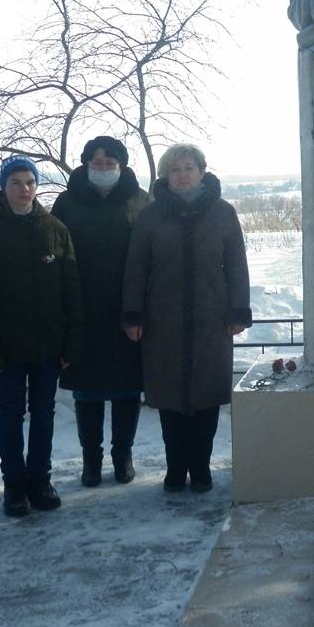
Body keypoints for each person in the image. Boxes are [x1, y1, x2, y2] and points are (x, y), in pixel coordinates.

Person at [122, 144, 252, 494]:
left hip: (212, 318)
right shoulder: (150, 216)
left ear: (202, 172)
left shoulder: (222, 213)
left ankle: (202, 466)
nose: (182, 174)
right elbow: (136, 268)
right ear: (166, 175)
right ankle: (176, 467)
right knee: (170, 399)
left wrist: (238, 310)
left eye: (189, 167)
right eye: (175, 169)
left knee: (206, 397)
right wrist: (133, 314)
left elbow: (237, 264)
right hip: (162, 320)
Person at [0, 156, 83, 517]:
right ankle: (14, 485)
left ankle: (40, 479)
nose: (23, 189)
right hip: (7, 346)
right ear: (3, 186)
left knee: (44, 414)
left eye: (29, 182)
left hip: (48, 345)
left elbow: (71, 291)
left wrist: (70, 343)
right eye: (15, 182)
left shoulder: (54, 229)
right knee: (11, 414)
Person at [51, 136, 150, 487]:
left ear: (121, 166)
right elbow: (54, 256)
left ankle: (122, 456)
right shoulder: (67, 202)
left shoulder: (140, 201)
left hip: (129, 309)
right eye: (97, 162)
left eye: (110, 163)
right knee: (88, 392)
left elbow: (150, 255)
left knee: (126, 389)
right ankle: (90, 460)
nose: (104, 168)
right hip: (83, 309)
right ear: (86, 165)